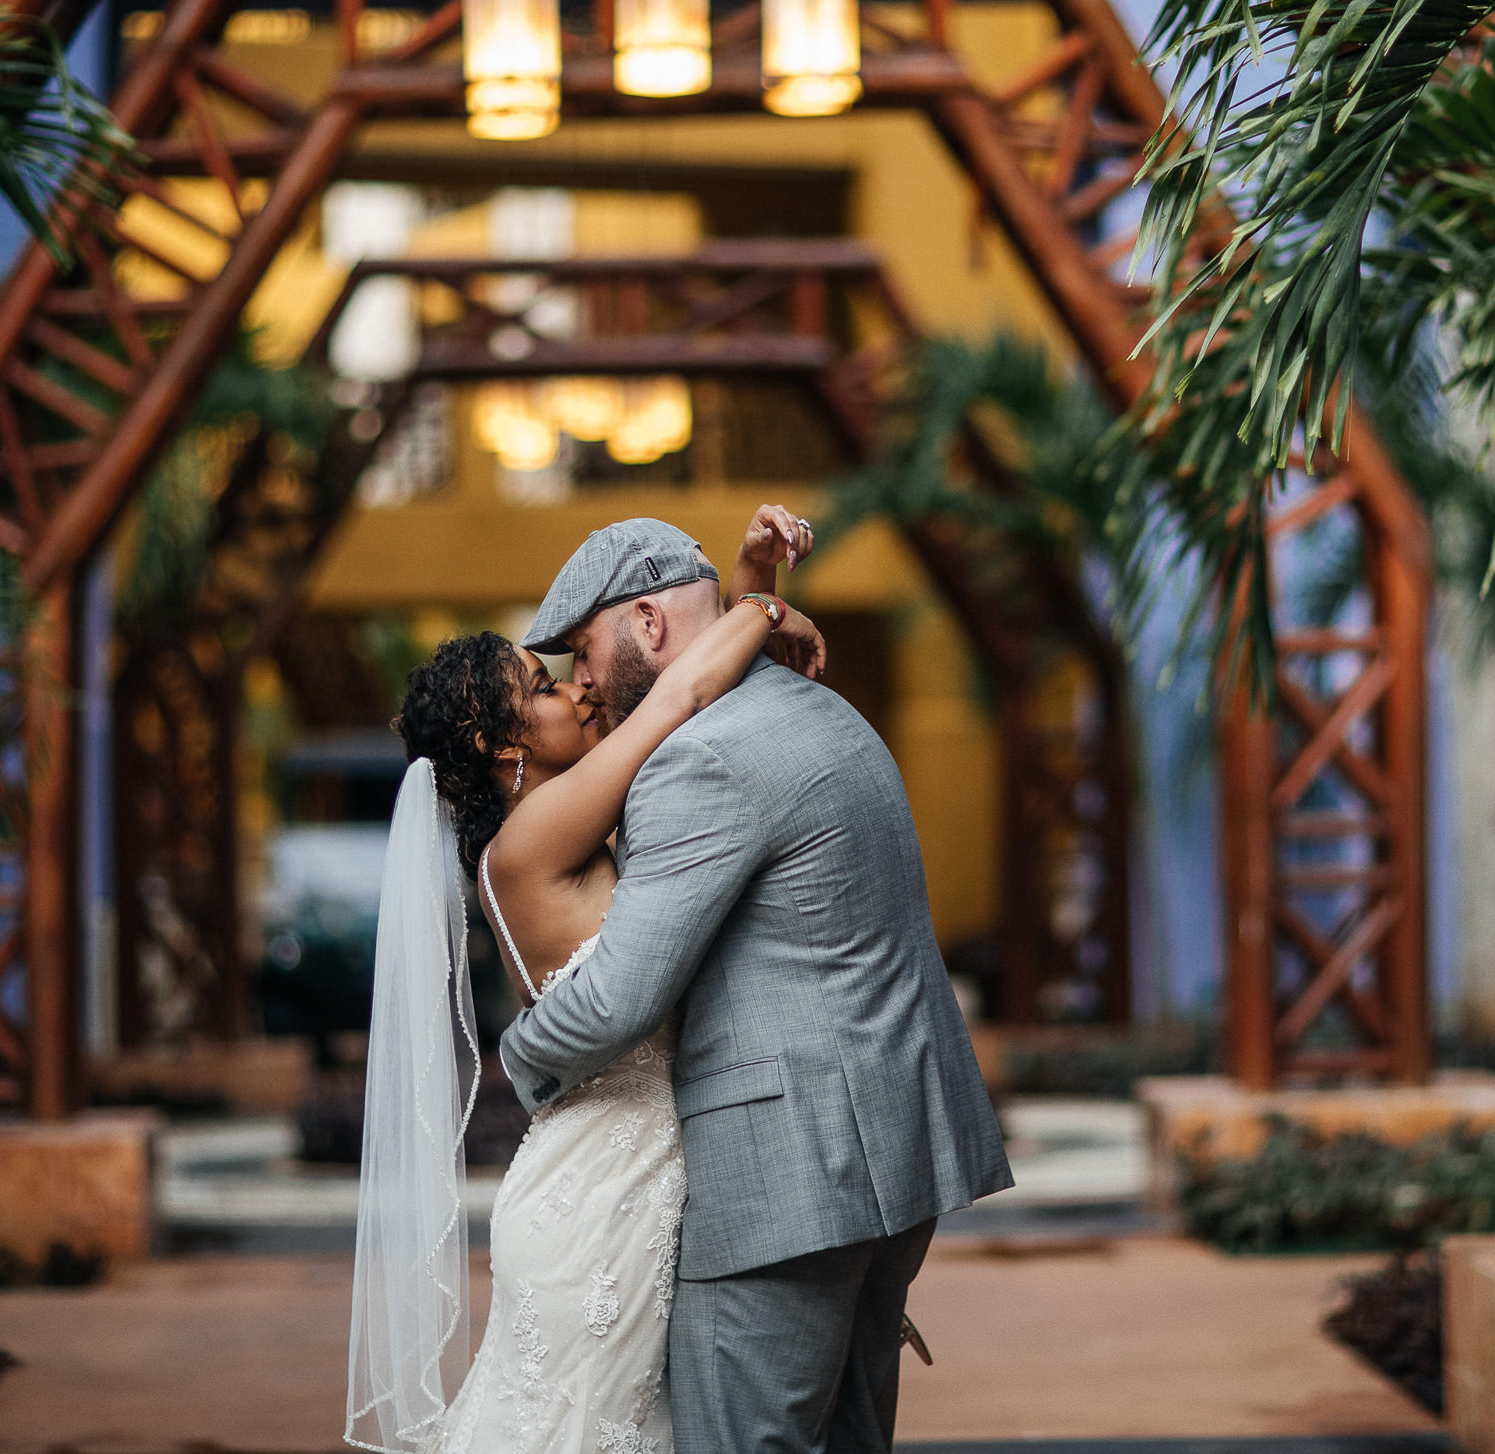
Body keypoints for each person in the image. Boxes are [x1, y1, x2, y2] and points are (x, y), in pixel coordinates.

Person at [498, 517, 1014, 1454]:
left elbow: (616, 998)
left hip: (789, 1180)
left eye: (583, 648)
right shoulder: (821, 708)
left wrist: (517, 1058)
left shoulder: (700, 758)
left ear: (649, 625)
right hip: (892, 1152)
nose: (580, 678)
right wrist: (760, 591)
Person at [346, 507, 828, 1454]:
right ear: (499, 744)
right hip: (599, 1204)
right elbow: (680, 694)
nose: (575, 691)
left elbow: (686, 690)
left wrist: (747, 584)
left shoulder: (557, 817)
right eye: (543, 686)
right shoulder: (535, 833)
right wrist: (765, 610)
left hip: (620, 1182)